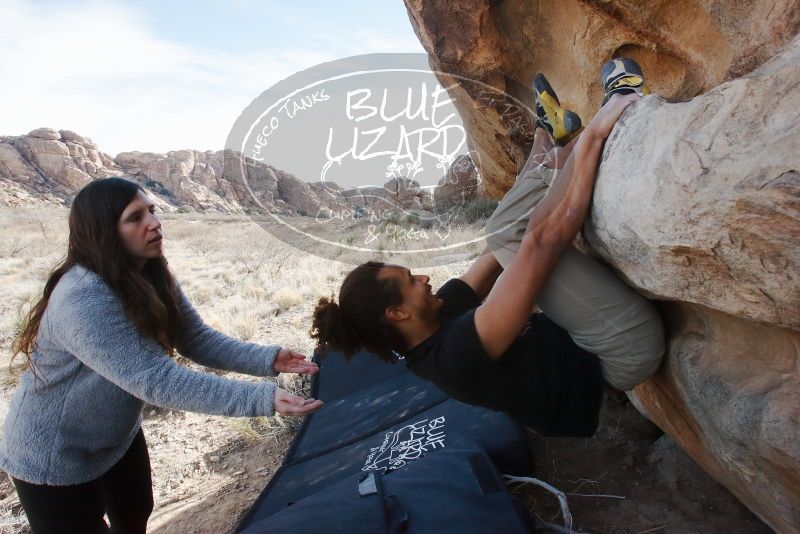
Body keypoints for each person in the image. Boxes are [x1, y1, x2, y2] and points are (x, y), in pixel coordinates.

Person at [311, 59, 664, 439]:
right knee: (512, 235)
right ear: (397, 313)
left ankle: (549, 135)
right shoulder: (454, 357)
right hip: (622, 349)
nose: (424, 278)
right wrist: (594, 135)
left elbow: (496, 247)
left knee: (500, 232)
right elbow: (541, 242)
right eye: (411, 280)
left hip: (581, 340)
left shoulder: (431, 318)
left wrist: (543, 151)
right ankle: (619, 101)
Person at [0, 177, 323, 533]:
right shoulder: (82, 297)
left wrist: (268, 359)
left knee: (135, 514)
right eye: (135, 217)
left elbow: (195, 338)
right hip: (52, 455)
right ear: (102, 231)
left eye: (152, 211)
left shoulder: (150, 272)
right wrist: (262, 398)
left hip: (114, 437)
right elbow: (156, 380)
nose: (154, 223)